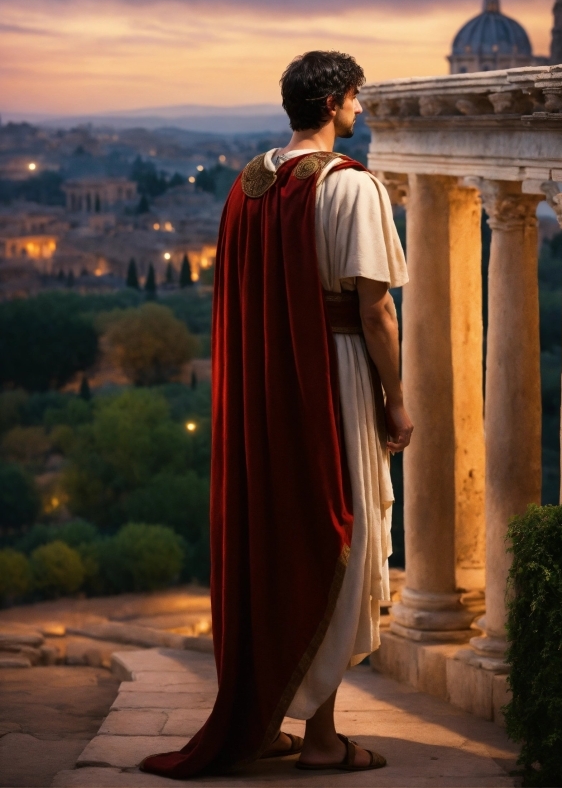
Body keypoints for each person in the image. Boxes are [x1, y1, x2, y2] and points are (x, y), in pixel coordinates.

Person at [140, 50, 413, 779]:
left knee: (275, 539)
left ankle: (259, 723)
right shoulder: (351, 187)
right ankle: (323, 740)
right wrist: (397, 397)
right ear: (332, 103)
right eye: (355, 97)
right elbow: (376, 310)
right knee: (340, 540)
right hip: (335, 376)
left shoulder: (249, 181)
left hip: (264, 385)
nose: (360, 108)